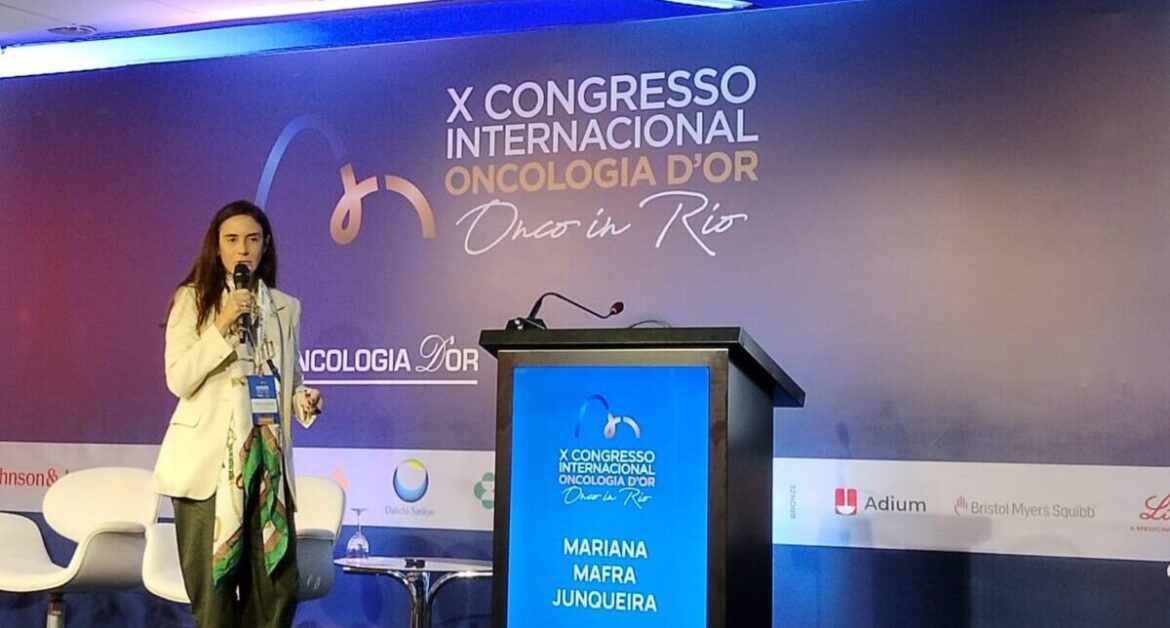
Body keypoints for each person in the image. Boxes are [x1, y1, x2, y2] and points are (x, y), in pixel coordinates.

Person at [153, 200, 323, 627]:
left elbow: (289, 378)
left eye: (252, 239)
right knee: (214, 600)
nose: (242, 249)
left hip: (267, 468)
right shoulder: (193, 299)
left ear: (266, 245)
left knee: (278, 591)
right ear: (217, 247)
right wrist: (222, 324)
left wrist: (303, 399)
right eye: (231, 240)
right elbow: (179, 378)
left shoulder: (285, 307)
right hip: (207, 469)